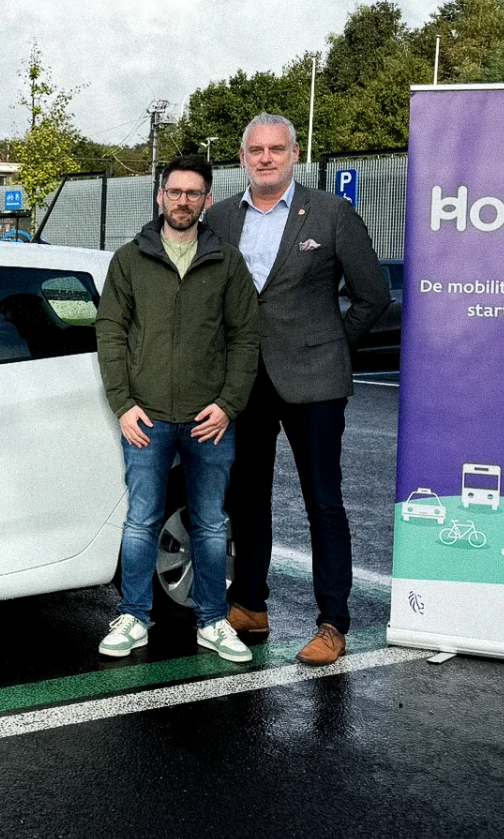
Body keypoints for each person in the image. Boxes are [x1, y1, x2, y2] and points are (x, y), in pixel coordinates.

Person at [205, 113, 391, 665]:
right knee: (247, 498)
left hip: (315, 383)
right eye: (256, 150)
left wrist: (333, 346)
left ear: (295, 153)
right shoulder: (219, 219)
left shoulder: (333, 214)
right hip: (245, 382)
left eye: (276, 149)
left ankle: (333, 622)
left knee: (323, 503)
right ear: (242, 157)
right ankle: (249, 605)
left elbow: (372, 295)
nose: (266, 158)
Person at [94, 155, 262, 663]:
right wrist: (123, 405)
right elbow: (110, 332)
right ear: (161, 196)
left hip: (208, 420)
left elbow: (245, 337)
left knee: (210, 523)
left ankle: (213, 621)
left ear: (207, 200)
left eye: (193, 193)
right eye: (175, 192)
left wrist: (229, 405)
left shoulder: (226, 262)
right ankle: (133, 616)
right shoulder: (130, 259)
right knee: (141, 519)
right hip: (145, 418)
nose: (183, 201)